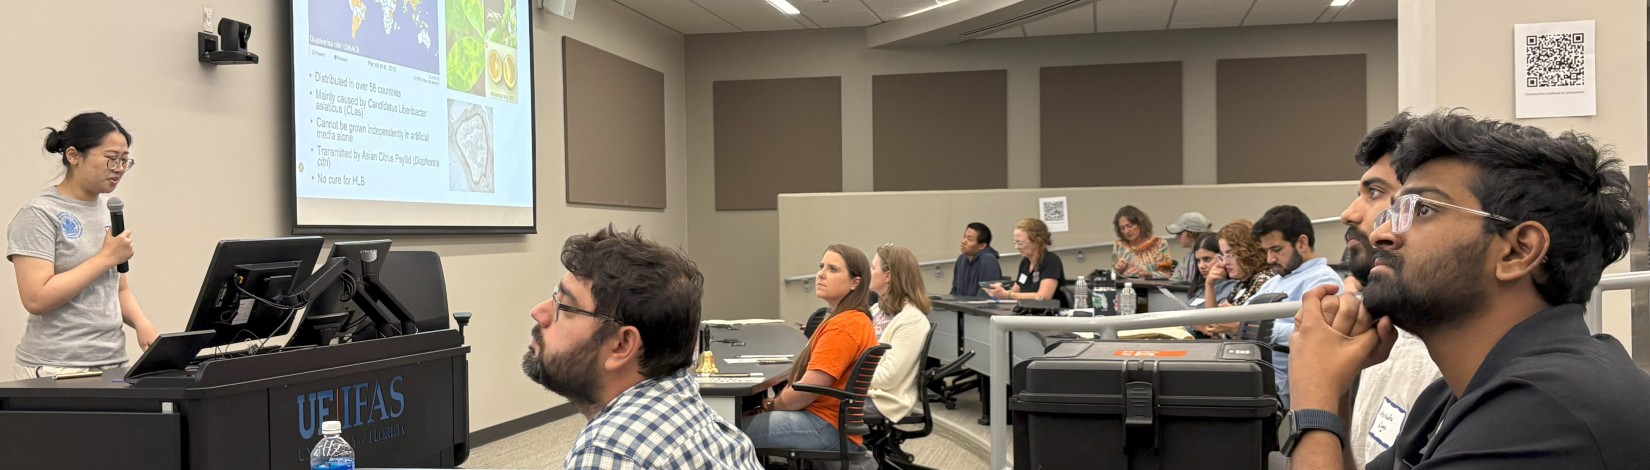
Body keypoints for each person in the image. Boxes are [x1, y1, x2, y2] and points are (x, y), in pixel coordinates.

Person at [1287, 112, 1650, 469]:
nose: (1382, 234)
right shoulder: (1451, 395)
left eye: (1423, 209)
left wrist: (1313, 400)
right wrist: (1334, 393)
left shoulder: (1544, 410)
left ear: (1518, 250)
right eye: (1394, 212)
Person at [520, 226, 761, 469]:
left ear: (622, 345)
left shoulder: (611, 452)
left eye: (564, 305)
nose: (538, 312)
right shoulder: (701, 422)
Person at [8, 112, 158, 380]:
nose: (119, 168)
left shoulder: (108, 210)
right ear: (74, 155)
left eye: (125, 160)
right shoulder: (40, 213)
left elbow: (118, 288)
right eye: (112, 158)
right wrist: (104, 258)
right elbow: (36, 299)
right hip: (56, 367)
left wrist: (142, 324)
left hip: (111, 360)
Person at [1338, 112, 1441, 467]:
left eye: (1375, 193)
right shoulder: (1387, 333)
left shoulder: (1453, 362)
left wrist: (1314, 400)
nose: (1348, 214)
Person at [745, 245, 879, 467]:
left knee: (729, 432)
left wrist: (770, 405)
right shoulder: (847, 318)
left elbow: (806, 391)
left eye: (833, 269)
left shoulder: (844, 326)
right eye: (821, 266)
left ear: (855, 283)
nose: (821, 274)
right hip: (827, 420)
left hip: (823, 425)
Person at [1252, 205, 1344, 408]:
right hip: (1259, 374)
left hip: (1282, 386)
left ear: (1302, 243)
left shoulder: (1324, 280)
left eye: (1276, 250)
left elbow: (1317, 334)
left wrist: (1253, 328)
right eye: (1267, 251)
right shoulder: (1275, 280)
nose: (1270, 259)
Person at [864, 245, 933, 457]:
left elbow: (888, 377)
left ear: (888, 276)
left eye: (872, 267)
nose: (868, 271)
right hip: (865, 390)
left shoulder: (911, 320)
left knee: (819, 405)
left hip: (883, 399)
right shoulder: (878, 310)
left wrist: (843, 375)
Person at [1192, 220, 1277, 338]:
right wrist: (1209, 285)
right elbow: (1216, 323)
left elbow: (1256, 332)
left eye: (1230, 254)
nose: (1225, 261)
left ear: (1247, 251)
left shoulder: (1265, 280)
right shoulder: (1241, 284)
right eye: (1223, 255)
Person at [982, 218, 1068, 308]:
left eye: (1020, 243)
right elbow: (1015, 292)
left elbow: (1044, 297)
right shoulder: (1025, 262)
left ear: (1036, 241)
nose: (1016, 247)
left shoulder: (1051, 261)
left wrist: (1007, 295)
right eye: (1015, 242)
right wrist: (1000, 290)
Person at [1112, 206, 1174, 279]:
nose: (1126, 231)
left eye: (1129, 226)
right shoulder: (1119, 245)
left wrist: (1145, 274)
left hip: (1152, 288)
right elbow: (1113, 276)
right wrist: (1118, 270)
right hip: (1126, 288)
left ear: (1140, 224)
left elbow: (1166, 275)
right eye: (1122, 228)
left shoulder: (1159, 243)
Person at [950, 222, 1002, 297]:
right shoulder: (961, 259)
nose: (963, 241)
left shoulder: (988, 261)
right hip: (961, 306)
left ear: (982, 246)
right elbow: (955, 290)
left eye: (969, 239)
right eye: (964, 236)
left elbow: (987, 296)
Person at [1185, 233, 1235, 309]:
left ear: (1222, 257)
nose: (1201, 266)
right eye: (1198, 260)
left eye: (1207, 259)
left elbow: (1213, 318)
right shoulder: (1199, 289)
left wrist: (1209, 284)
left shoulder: (1233, 287)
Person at [1167, 212, 1213, 284]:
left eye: (1180, 233)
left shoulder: (1210, 254)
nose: (1177, 237)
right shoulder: (1189, 255)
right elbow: (1175, 278)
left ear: (1192, 233)